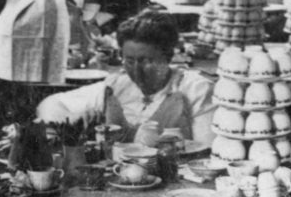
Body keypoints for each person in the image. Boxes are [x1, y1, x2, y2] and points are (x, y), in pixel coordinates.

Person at [35, 8, 214, 144]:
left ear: (168, 57)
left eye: (146, 61)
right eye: (129, 60)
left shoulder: (195, 89)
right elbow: (52, 102)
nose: (137, 70)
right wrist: (62, 124)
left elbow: (206, 149)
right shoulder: (118, 84)